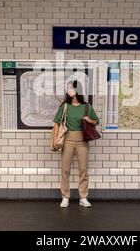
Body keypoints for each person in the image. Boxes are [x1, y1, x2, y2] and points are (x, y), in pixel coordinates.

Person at [53, 80, 99, 208]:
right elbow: (56, 122)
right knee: (65, 169)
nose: (70, 90)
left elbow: (96, 122)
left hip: (82, 140)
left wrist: (88, 119)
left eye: (72, 88)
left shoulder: (86, 107)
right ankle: (65, 197)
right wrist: (55, 139)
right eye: (68, 88)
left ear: (78, 90)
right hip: (68, 139)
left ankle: (83, 197)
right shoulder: (65, 106)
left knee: (83, 169)